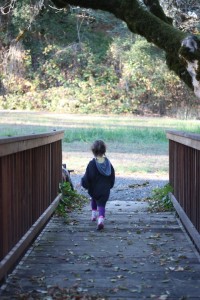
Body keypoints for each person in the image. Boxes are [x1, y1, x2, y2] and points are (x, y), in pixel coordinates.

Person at [81, 140, 115, 230]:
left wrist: (84, 183)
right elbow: (112, 176)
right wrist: (110, 185)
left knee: (94, 198)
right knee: (102, 204)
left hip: (94, 190)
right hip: (105, 190)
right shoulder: (108, 164)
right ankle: (100, 219)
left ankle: (93, 215)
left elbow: (88, 177)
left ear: (93, 151)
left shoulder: (92, 164)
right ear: (104, 151)